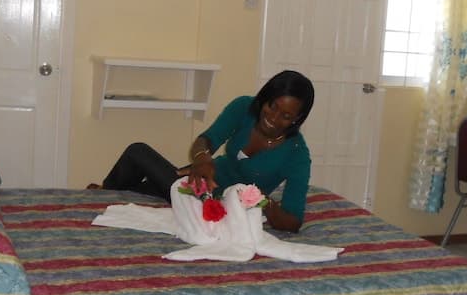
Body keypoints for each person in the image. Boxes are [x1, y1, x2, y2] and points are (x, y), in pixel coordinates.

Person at [93, 70, 314, 232]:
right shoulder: (244, 108)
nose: (273, 118)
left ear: (297, 119)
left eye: (285, 116)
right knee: (136, 188)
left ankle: (101, 194)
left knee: (138, 152)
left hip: (217, 206)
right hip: (198, 181)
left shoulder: (297, 155)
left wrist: (263, 200)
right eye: (272, 106)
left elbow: (293, 221)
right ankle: (102, 195)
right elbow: (208, 139)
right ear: (265, 98)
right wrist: (202, 159)